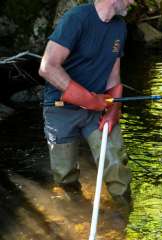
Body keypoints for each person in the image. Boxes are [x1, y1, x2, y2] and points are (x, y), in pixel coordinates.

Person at [38, 0, 134, 205]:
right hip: (60, 108)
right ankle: (75, 212)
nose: (134, 1)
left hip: (99, 108)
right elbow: (48, 67)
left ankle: (124, 213)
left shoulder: (120, 27)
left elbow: (114, 77)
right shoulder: (76, 18)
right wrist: (88, 99)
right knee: (64, 175)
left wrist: (113, 111)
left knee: (115, 163)